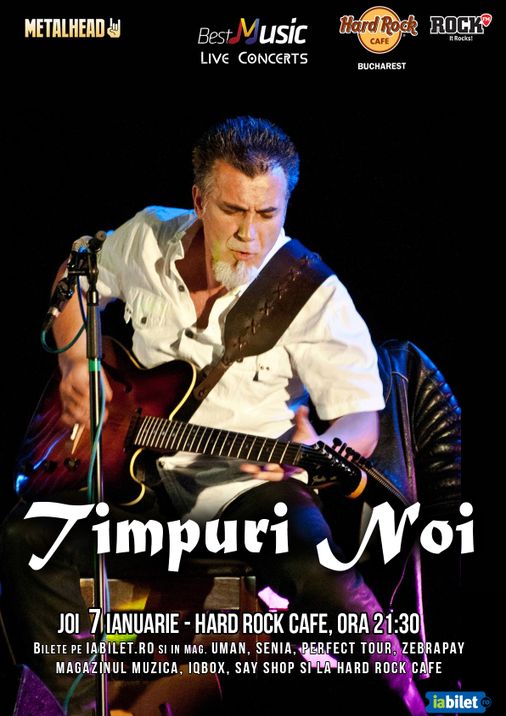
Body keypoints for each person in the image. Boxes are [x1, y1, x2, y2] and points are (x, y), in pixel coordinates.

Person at [1, 116, 426, 714]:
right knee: (26, 536)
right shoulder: (148, 237)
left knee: (321, 573)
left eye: (268, 213)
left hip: (248, 486)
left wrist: (318, 450)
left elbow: (361, 422)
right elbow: (77, 275)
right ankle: (84, 710)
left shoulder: (315, 295)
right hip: (133, 475)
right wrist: (78, 364)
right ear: (200, 201)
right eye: (233, 211)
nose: (250, 234)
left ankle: (409, 704)